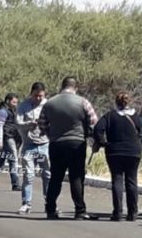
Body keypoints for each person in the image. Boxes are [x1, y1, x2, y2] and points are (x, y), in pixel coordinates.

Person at [38, 76, 99, 220]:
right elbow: (94, 121)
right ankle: (80, 210)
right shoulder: (83, 102)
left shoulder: (50, 103)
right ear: (75, 88)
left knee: (56, 177)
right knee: (76, 177)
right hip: (77, 143)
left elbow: (41, 123)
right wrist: (88, 134)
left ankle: (51, 209)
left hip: (56, 143)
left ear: (62, 86)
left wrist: (50, 135)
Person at [93, 92, 142, 221]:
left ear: (116, 102)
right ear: (129, 102)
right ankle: (133, 213)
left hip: (115, 151)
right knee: (132, 181)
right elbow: (141, 131)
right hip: (133, 151)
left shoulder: (110, 116)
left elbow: (98, 129)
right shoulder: (136, 116)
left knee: (117, 180)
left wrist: (103, 143)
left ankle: (118, 212)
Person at [15, 82, 50, 214]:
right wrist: (28, 125)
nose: (38, 98)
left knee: (47, 175)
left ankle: (49, 202)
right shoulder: (23, 106)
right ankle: (26, 203)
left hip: (45, 144)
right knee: (29, 175)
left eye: (41, 96)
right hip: (29, 145)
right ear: (31, 94)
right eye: (36, 96)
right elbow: (18, 123)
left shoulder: (48, 106)